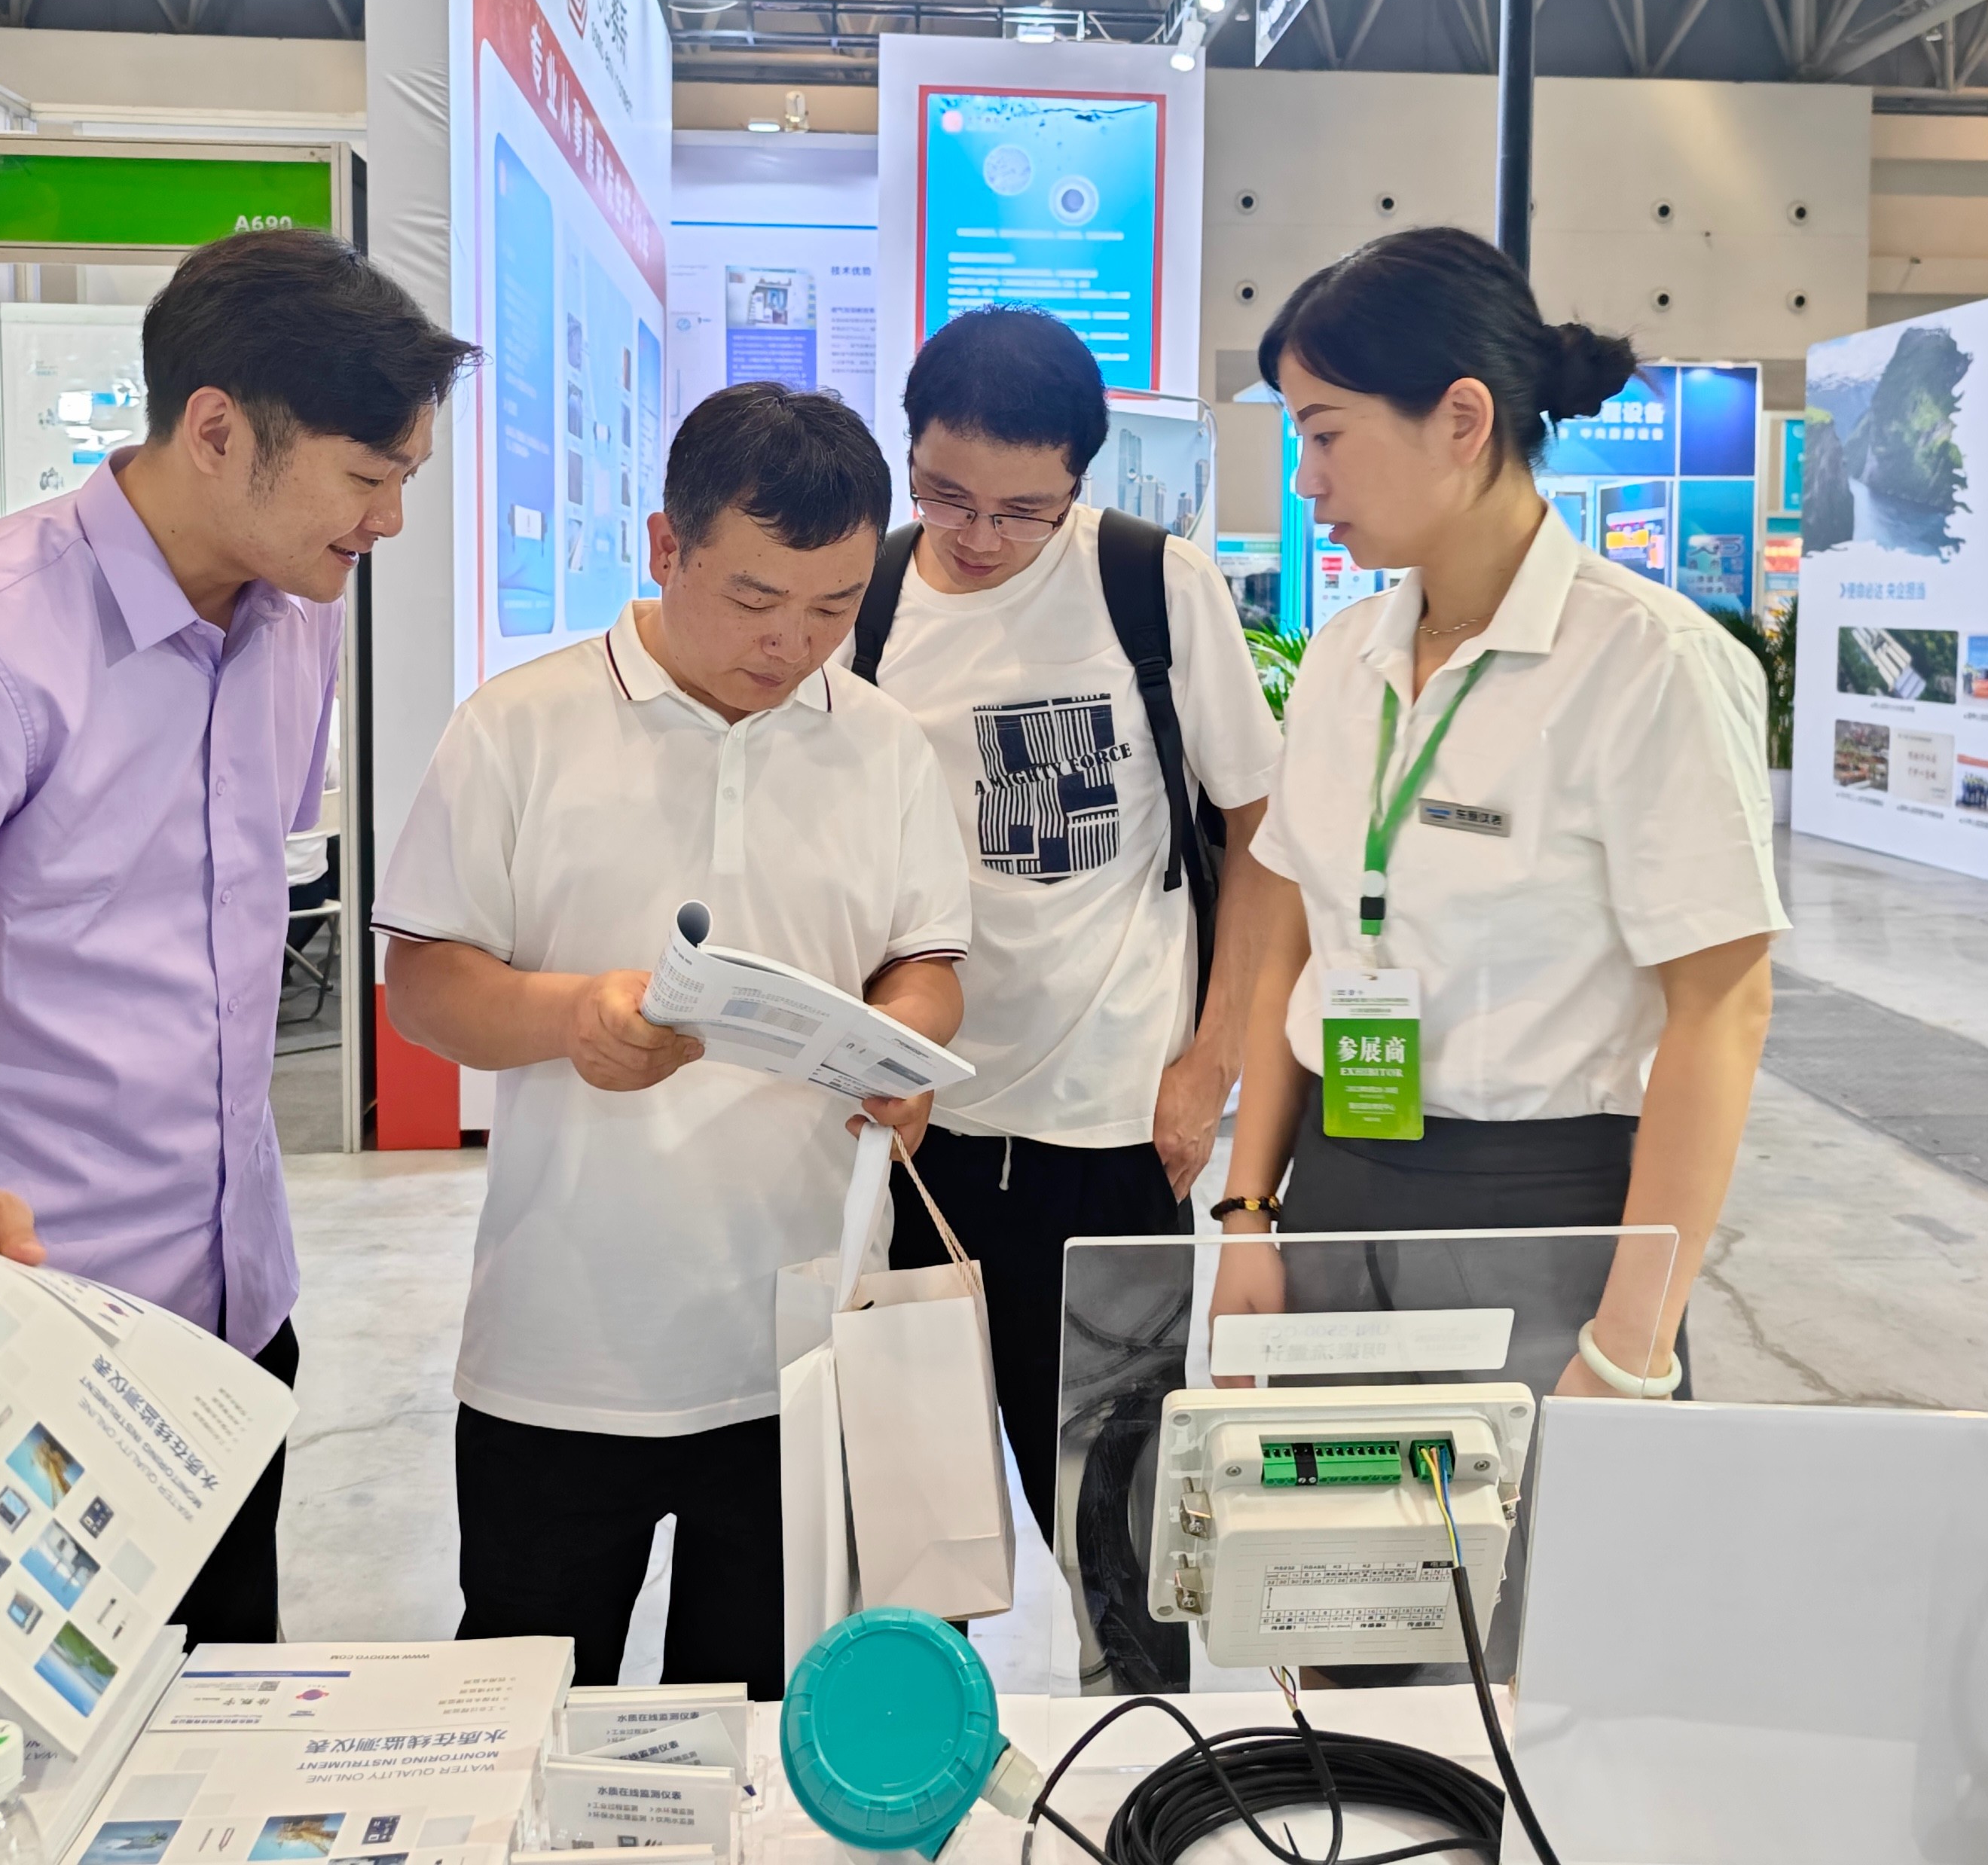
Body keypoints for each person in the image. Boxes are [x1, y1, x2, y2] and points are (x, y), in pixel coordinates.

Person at [0, 229, 476, 1641]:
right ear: (216, 430)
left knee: (208, 1726)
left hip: (225, 1330)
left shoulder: (297, 620)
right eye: (367, 477)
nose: (389, 521)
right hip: (3, 1338)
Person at [374, 382, 972, 1699]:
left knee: (760, 1717)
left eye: (832, 607)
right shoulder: (519, 724)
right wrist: (569, 1016)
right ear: (664, 545)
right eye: (755, 598)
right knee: (528, 1705)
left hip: (802, 1341)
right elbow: (421, 983)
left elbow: (924, 959)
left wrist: (905, 1047)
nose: (791, 643)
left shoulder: (879, 743)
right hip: (562, 1348)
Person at [1209, 226, 1786, 1406]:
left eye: (1324, 432)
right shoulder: (1341, 661)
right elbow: (1294, 948)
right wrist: (1248, 1210)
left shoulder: (1646, 664)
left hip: (1544, 1213)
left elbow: (1720, 1010)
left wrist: (1631, 1344)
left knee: (1539, 1530)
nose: (1305, 478)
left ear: (1461, 420)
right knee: (1336, 1526)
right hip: (1335, 1183)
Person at [837, 306, 1281, 1538]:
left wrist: (1212, 1061)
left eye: (1021, 509)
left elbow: (1261, 831)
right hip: (914, 1139)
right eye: (945, 494)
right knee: (915, 1537)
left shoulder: (1149, 584)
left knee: (1118, 1532)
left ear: (1079, 478)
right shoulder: (867, 601)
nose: (980, 536)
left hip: (1111, 1136)